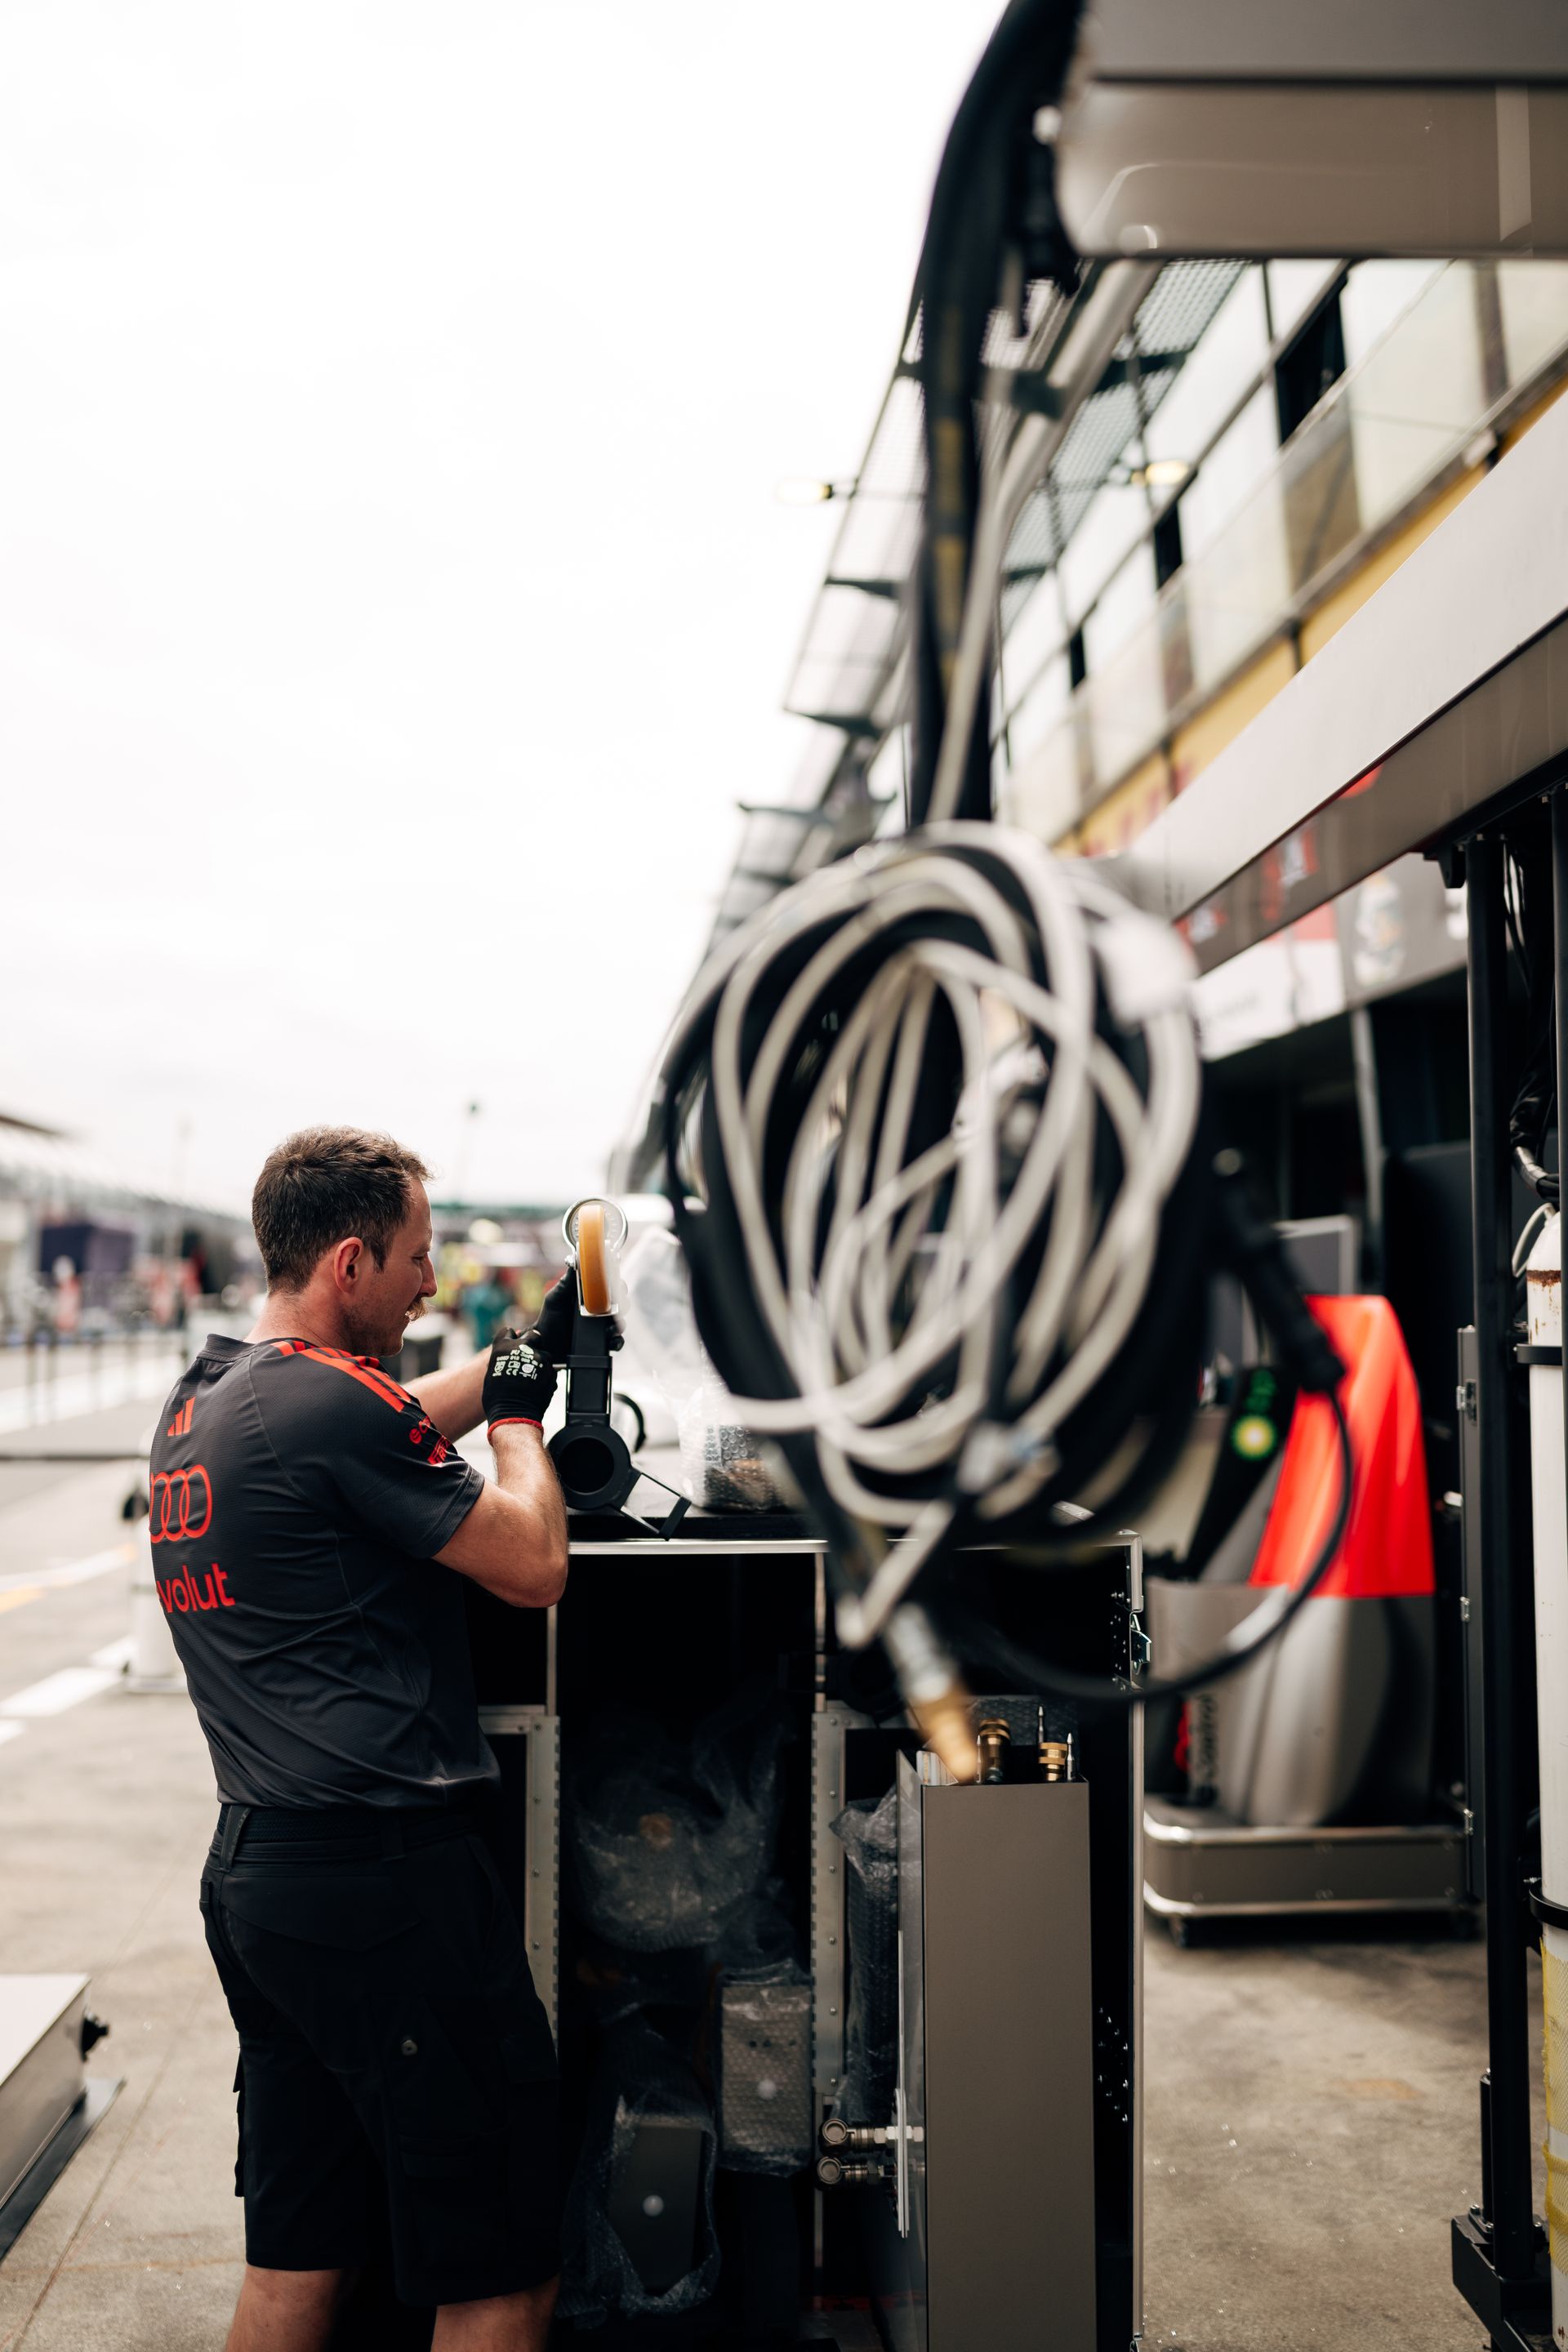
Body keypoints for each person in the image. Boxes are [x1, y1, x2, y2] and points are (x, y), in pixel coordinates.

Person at [149, 1126, 572, 2352]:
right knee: (500, 2270)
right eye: (417, 1261)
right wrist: (523, 1428)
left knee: (302, 2259)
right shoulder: (324, 1403)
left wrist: (499, 1369)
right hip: (386, 1889)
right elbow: (533, 1563)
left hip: (264, 1883)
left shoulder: (209, 1399)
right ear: (348, 1264)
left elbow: (378, 1421)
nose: (431, 1285)